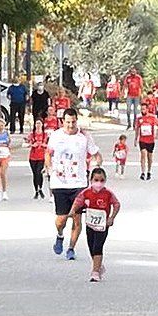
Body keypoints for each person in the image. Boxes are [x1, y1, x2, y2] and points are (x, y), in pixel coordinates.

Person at [46, 108, 102, 260]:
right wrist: (50, 170)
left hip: (79, 183)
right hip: (60, 183)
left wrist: (97, 166)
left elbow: (96, 153)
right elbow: (48, 153)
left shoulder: (84, 136)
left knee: (77, 218)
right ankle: (59, 235)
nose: (71, 125)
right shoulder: (56, 136)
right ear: (62, 121)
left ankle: (71, 248)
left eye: (73, 122)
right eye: (68, 122)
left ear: (77, 121)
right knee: (61, 219)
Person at [68, 167, 121, 282]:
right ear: (91, 180)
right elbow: (78, 202)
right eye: (96, 180)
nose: (99, 183)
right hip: (90, 224)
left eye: (102, 180)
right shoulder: (86, 193)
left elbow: (116, 204)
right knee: (91, 247)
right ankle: (98, 265)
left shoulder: (108, 194)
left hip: (103, 225)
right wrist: (72, 211)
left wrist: (111, 218)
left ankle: (95, 272)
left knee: (98, 246)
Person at [134, 102, 158, 181]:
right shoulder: (139, 119)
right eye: (141, 109)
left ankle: (149, 171)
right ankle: (142, 172)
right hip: (142, 140)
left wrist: (157, 135)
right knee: (143, 154)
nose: (143, 110)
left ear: (147, 109)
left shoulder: (152, 118)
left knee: (149, 157)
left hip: (151, 140)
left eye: (144, 109)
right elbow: (137, 129)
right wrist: (136, 139)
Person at [27, 120, 49, 199]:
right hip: (33, 156)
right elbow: (26, 144)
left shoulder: (45, 134)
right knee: (35, 174)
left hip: (41, 156)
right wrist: (32, 145)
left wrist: (44, 145)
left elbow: (49, 145)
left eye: (40, 123)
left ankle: (40, 188)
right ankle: (36, 190)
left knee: (39, 172)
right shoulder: (31, 134)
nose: (38, 125)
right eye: (37, 123)